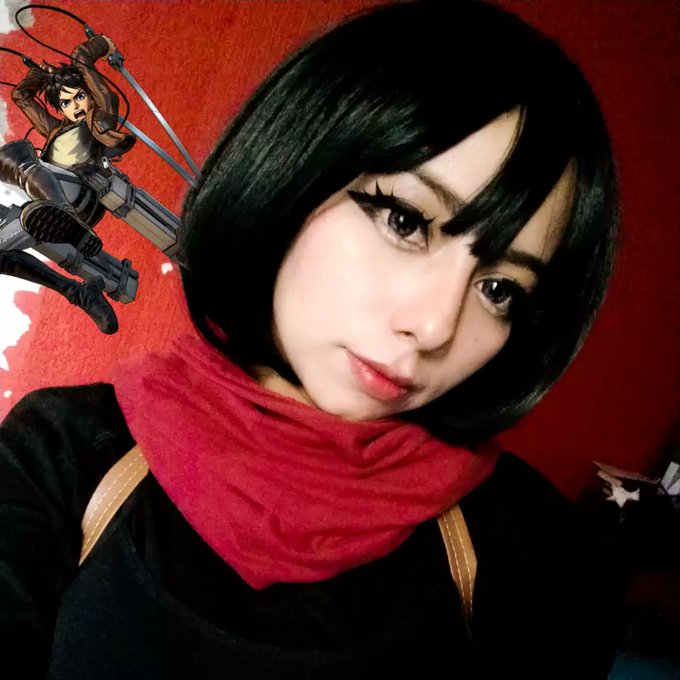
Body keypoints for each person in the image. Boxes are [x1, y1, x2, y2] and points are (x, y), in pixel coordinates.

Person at [0, 1, 621, 677]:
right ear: (291, 172)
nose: (435, 327)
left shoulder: (532, 550)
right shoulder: (61, 459)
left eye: (499, 288)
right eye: (406, 221)